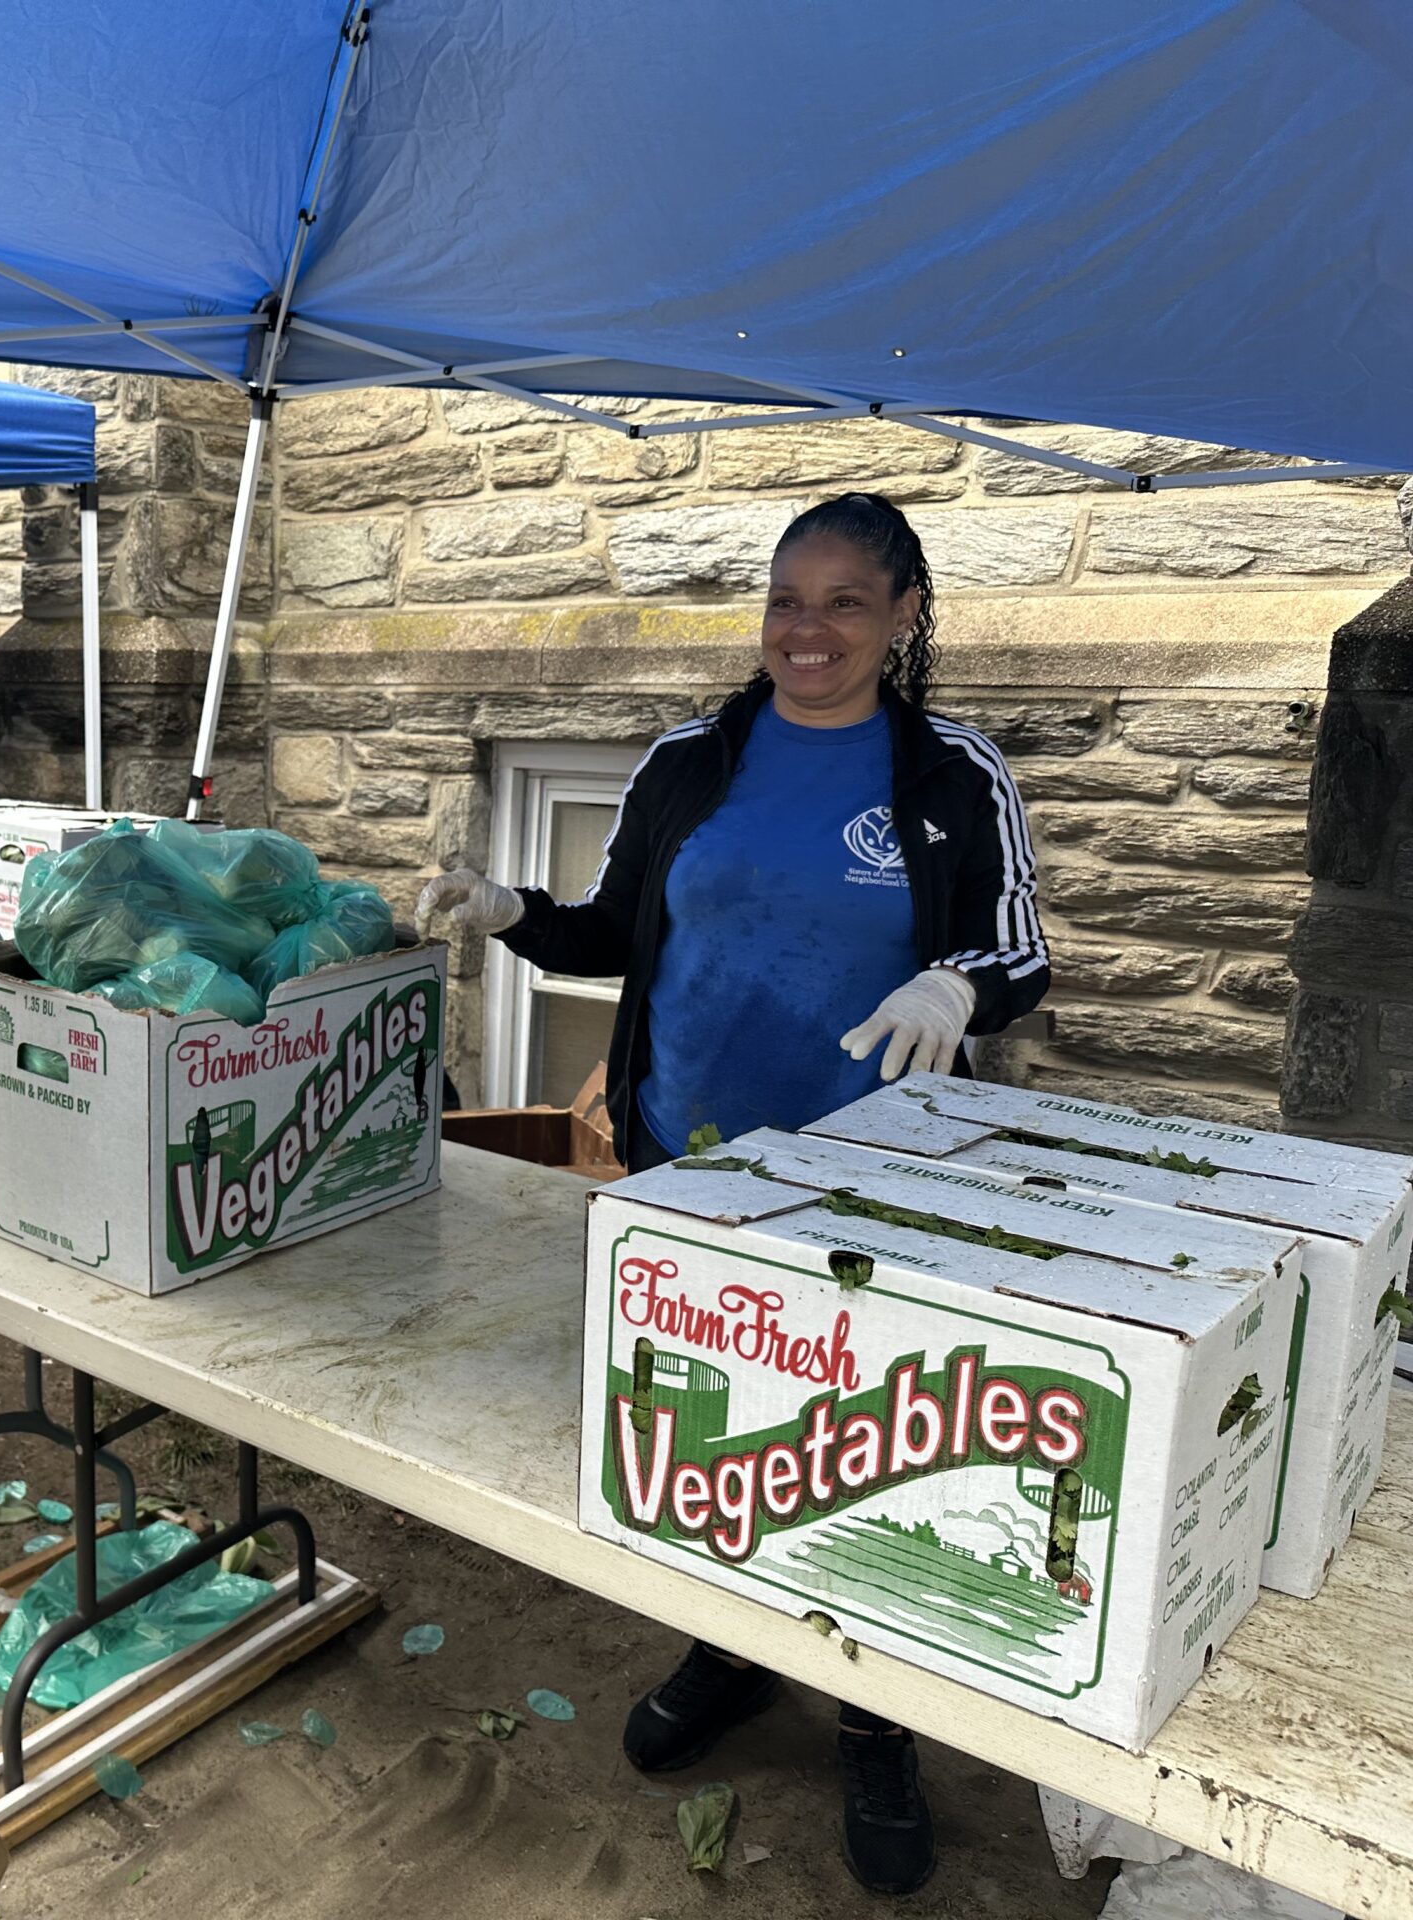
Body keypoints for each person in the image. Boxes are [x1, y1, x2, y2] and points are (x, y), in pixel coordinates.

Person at [418, 491, 1049, 1897]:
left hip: (871, 1186)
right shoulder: (693, 759)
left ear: (901, 617)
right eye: (784, 600)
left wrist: (960, 980)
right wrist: (512, 912)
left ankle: (877, 1720)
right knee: (716, 1432)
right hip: (688, 1159)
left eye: (841, 602)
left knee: (867, 1443)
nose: (803, 630)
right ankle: (731, 1651)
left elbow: (1018, 953)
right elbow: (610, 929)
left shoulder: (951, 775)